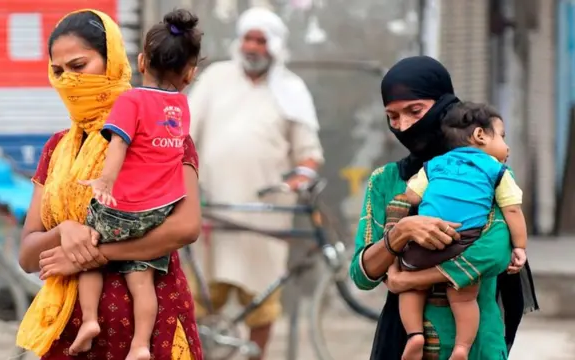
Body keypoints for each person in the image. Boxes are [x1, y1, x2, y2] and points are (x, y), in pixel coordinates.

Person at [15, 9, 203, 360]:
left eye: (78, 65)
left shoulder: (161, 133)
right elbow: (28, 255)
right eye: (58, 71)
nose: (68, 80)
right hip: (72, 333)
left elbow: (185, 227)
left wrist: (92, 256)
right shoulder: (57, 149)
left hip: (148, 330)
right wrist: (64, 232)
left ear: (113, 61)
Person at [348, 55, 539, 360]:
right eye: (393, 116)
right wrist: (399, 234)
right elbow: (361, 273)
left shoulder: (486, 176)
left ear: (444, 107)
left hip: (475, 345)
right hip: (401, 344)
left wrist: (406, 279)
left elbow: (494, 254)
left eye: (414, 111)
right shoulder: (385, 181)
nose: (404, 125)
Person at [188, 6, 323, 359]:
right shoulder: (216, 77)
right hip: (212, 210)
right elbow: (185, 134)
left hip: (266, 216)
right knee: (199, 299)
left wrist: (300, 179)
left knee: (261, 303)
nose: (252, 47)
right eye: (248, 38)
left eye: (260, 40)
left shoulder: (291, 89)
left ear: (275, 46)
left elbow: (309, 155)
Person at [398, 102, 528, 360]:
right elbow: (512, 211)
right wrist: (520, 247)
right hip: (465, 242)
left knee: (410, 290)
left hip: (426, 238)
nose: (507, 146)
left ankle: (414, 336)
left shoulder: (434, 165)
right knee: (465, 299)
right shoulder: (496, 170)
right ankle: (462, 348)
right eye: (502, 137)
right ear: (480, 135)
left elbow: (410, 196)